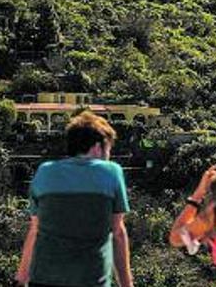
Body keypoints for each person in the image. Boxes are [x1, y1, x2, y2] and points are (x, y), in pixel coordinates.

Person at [17, 111, 134, 287]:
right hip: (91, 280)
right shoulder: (111, 172)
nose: (109, 155)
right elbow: (117, 233)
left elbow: (35, 230)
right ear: (97, 147)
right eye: (108, 149)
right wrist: (127, 284)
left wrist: (20, 280)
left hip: (43, 279)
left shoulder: (45, 171)